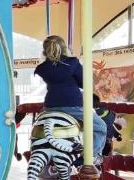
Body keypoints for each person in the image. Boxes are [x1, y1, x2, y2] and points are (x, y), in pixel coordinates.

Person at [34, 35, 106, 163]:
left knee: (39, 125)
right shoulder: (72, 63)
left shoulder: (43, 68)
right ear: (64, 48)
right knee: (100, 126)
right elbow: (84, 83)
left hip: (50, 107)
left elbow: (55, 76)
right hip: (72, 106)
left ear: (45, 50)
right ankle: (92, 155)